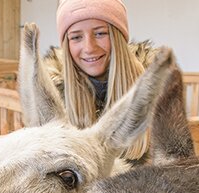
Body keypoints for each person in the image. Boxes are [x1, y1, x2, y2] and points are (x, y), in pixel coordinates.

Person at [45, 0, 158, 159]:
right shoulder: (53, 97)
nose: (89, 48)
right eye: (76, 37)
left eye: (100, 33)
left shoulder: (154, 90)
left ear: (117, 37)